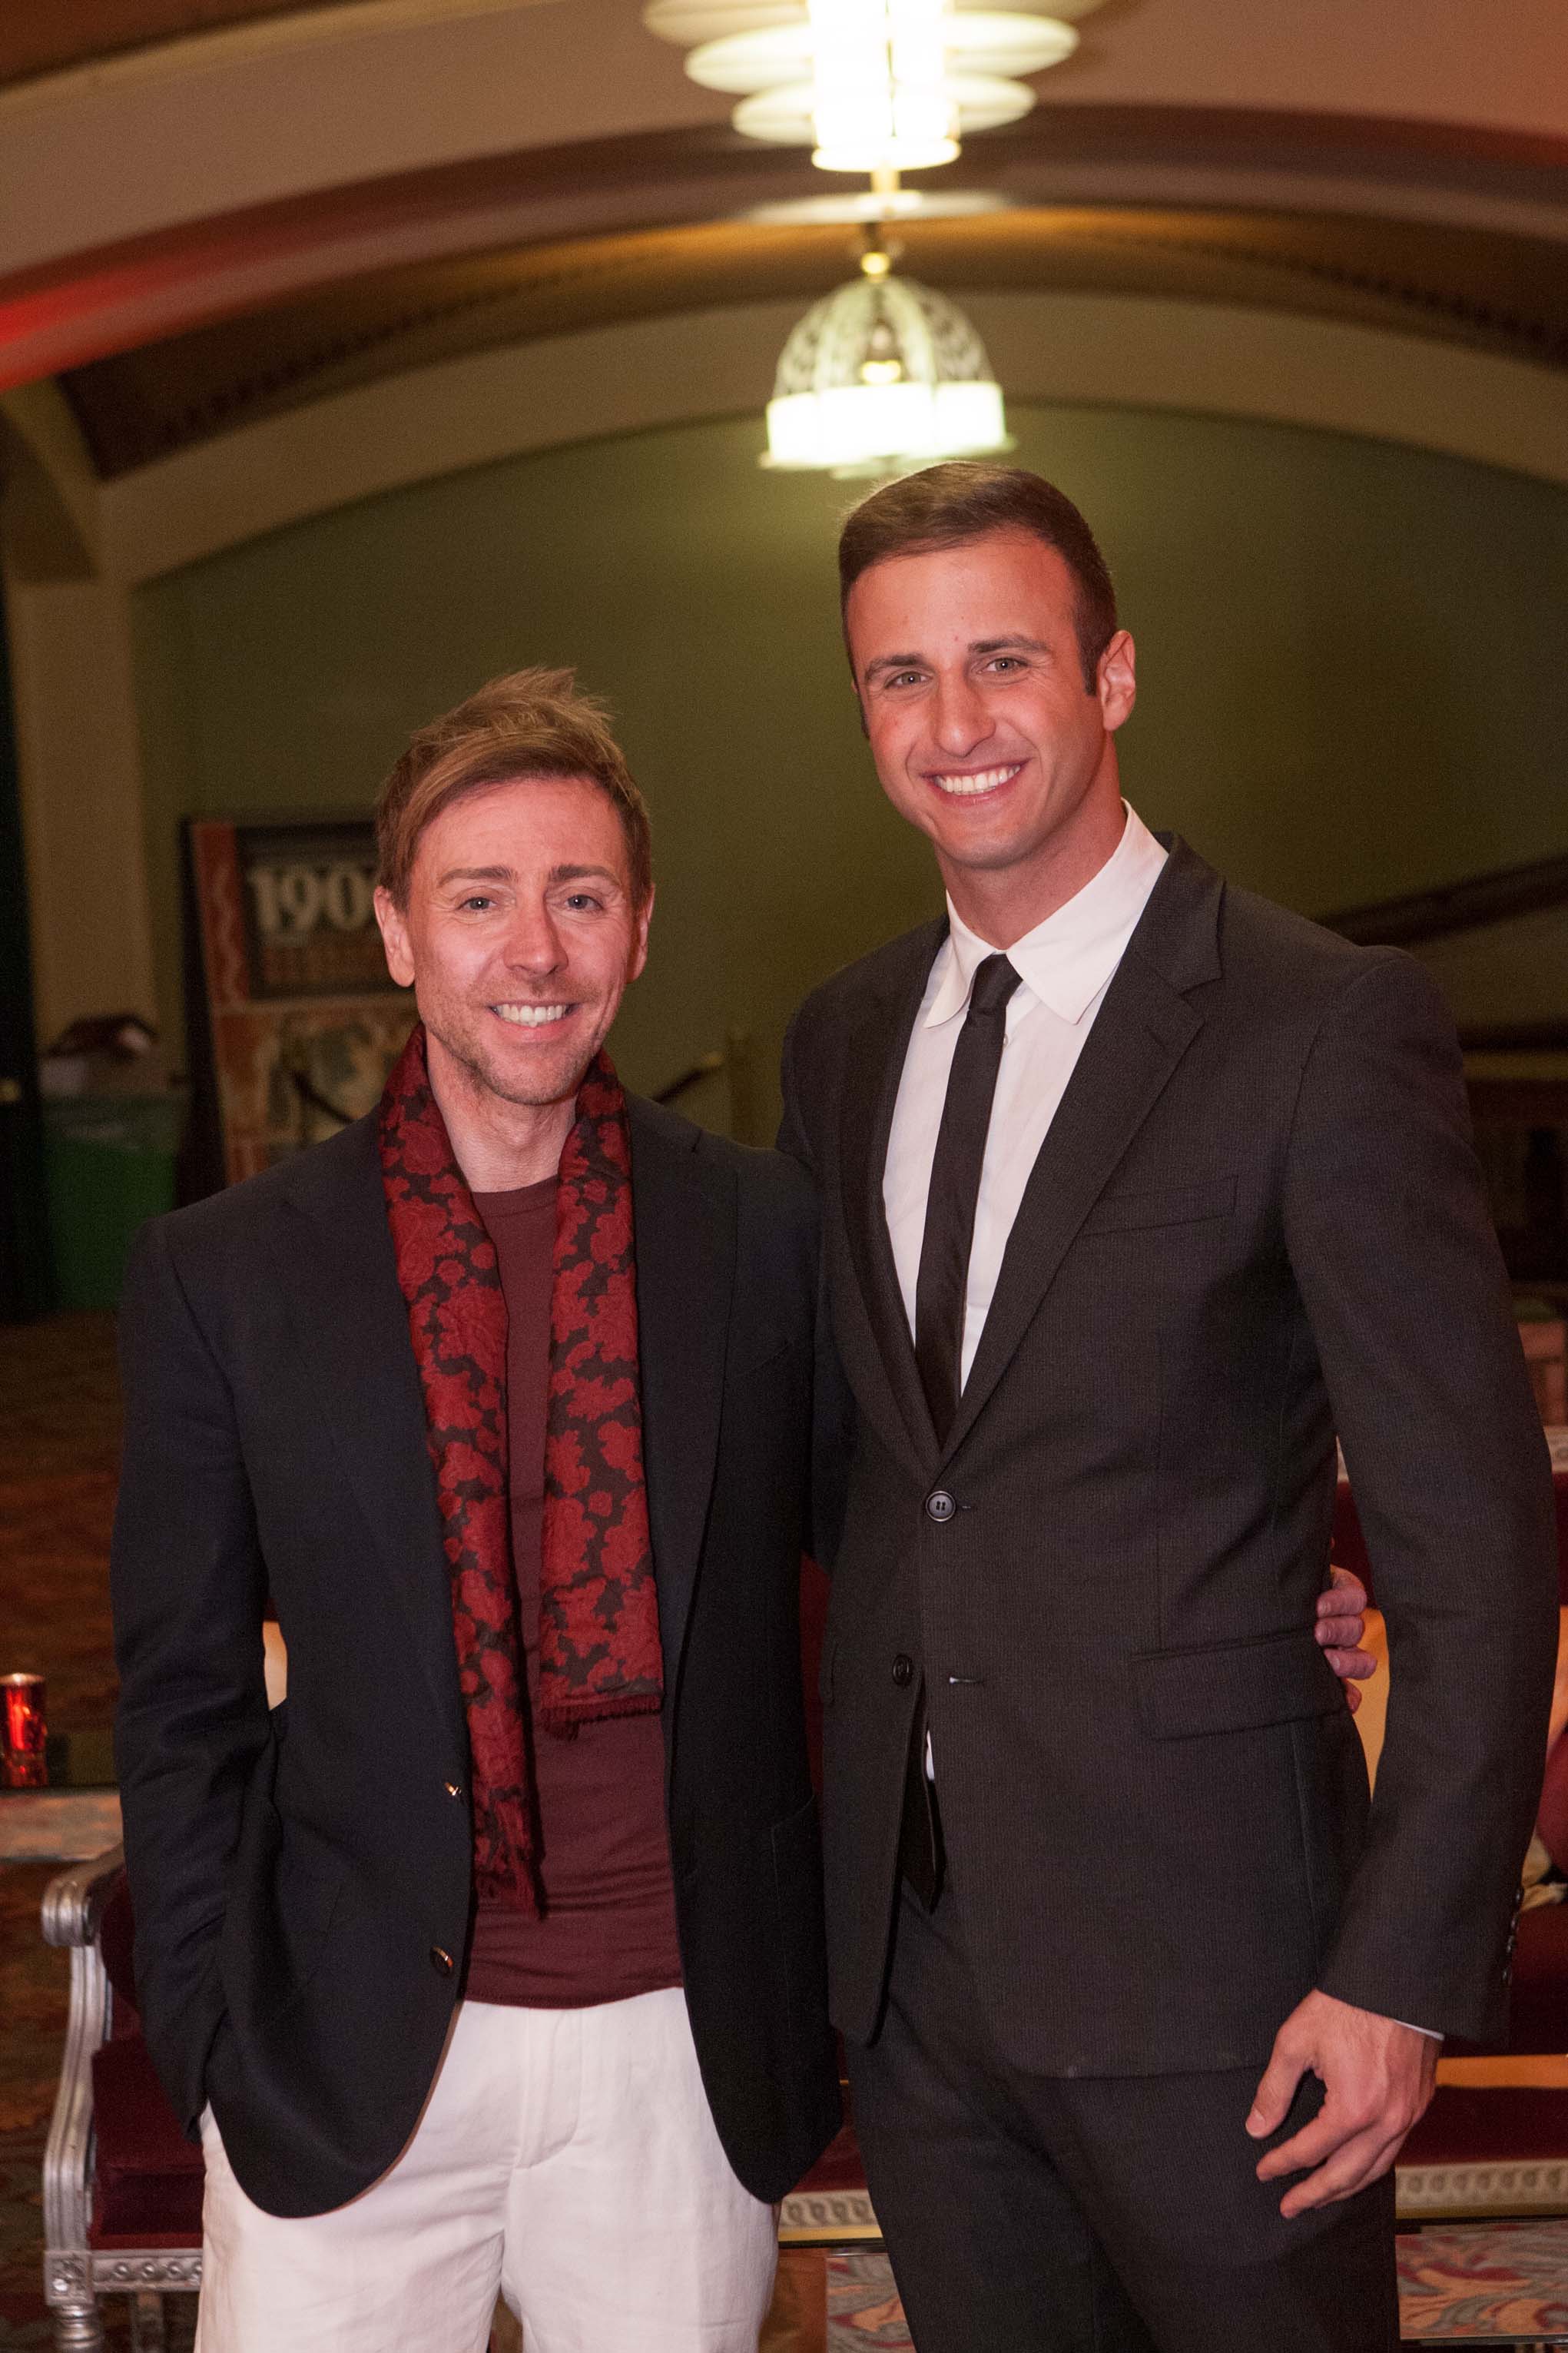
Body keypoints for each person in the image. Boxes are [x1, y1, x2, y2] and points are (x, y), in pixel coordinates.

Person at [780, 463, 1560, 2353]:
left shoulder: (1317, 1022)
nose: (953, 723)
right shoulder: (843, 1038)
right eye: (899, 676)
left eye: (1002, 660)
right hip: (921, 1977)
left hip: (1228, 1972)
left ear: (1112, 675)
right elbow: (879, 1481)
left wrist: (1400, 1972)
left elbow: (1472, 1543)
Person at [111, 669, 840, 2352]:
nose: (535, 951)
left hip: (677, 2048)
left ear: (639, 930)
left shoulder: (762, 1236)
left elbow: (901, 1564)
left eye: (578, 897)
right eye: (478, 899)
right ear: (396, 932)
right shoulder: (228, 1273)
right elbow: (182, 1694)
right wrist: (214, 2042)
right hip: (346, 2044)